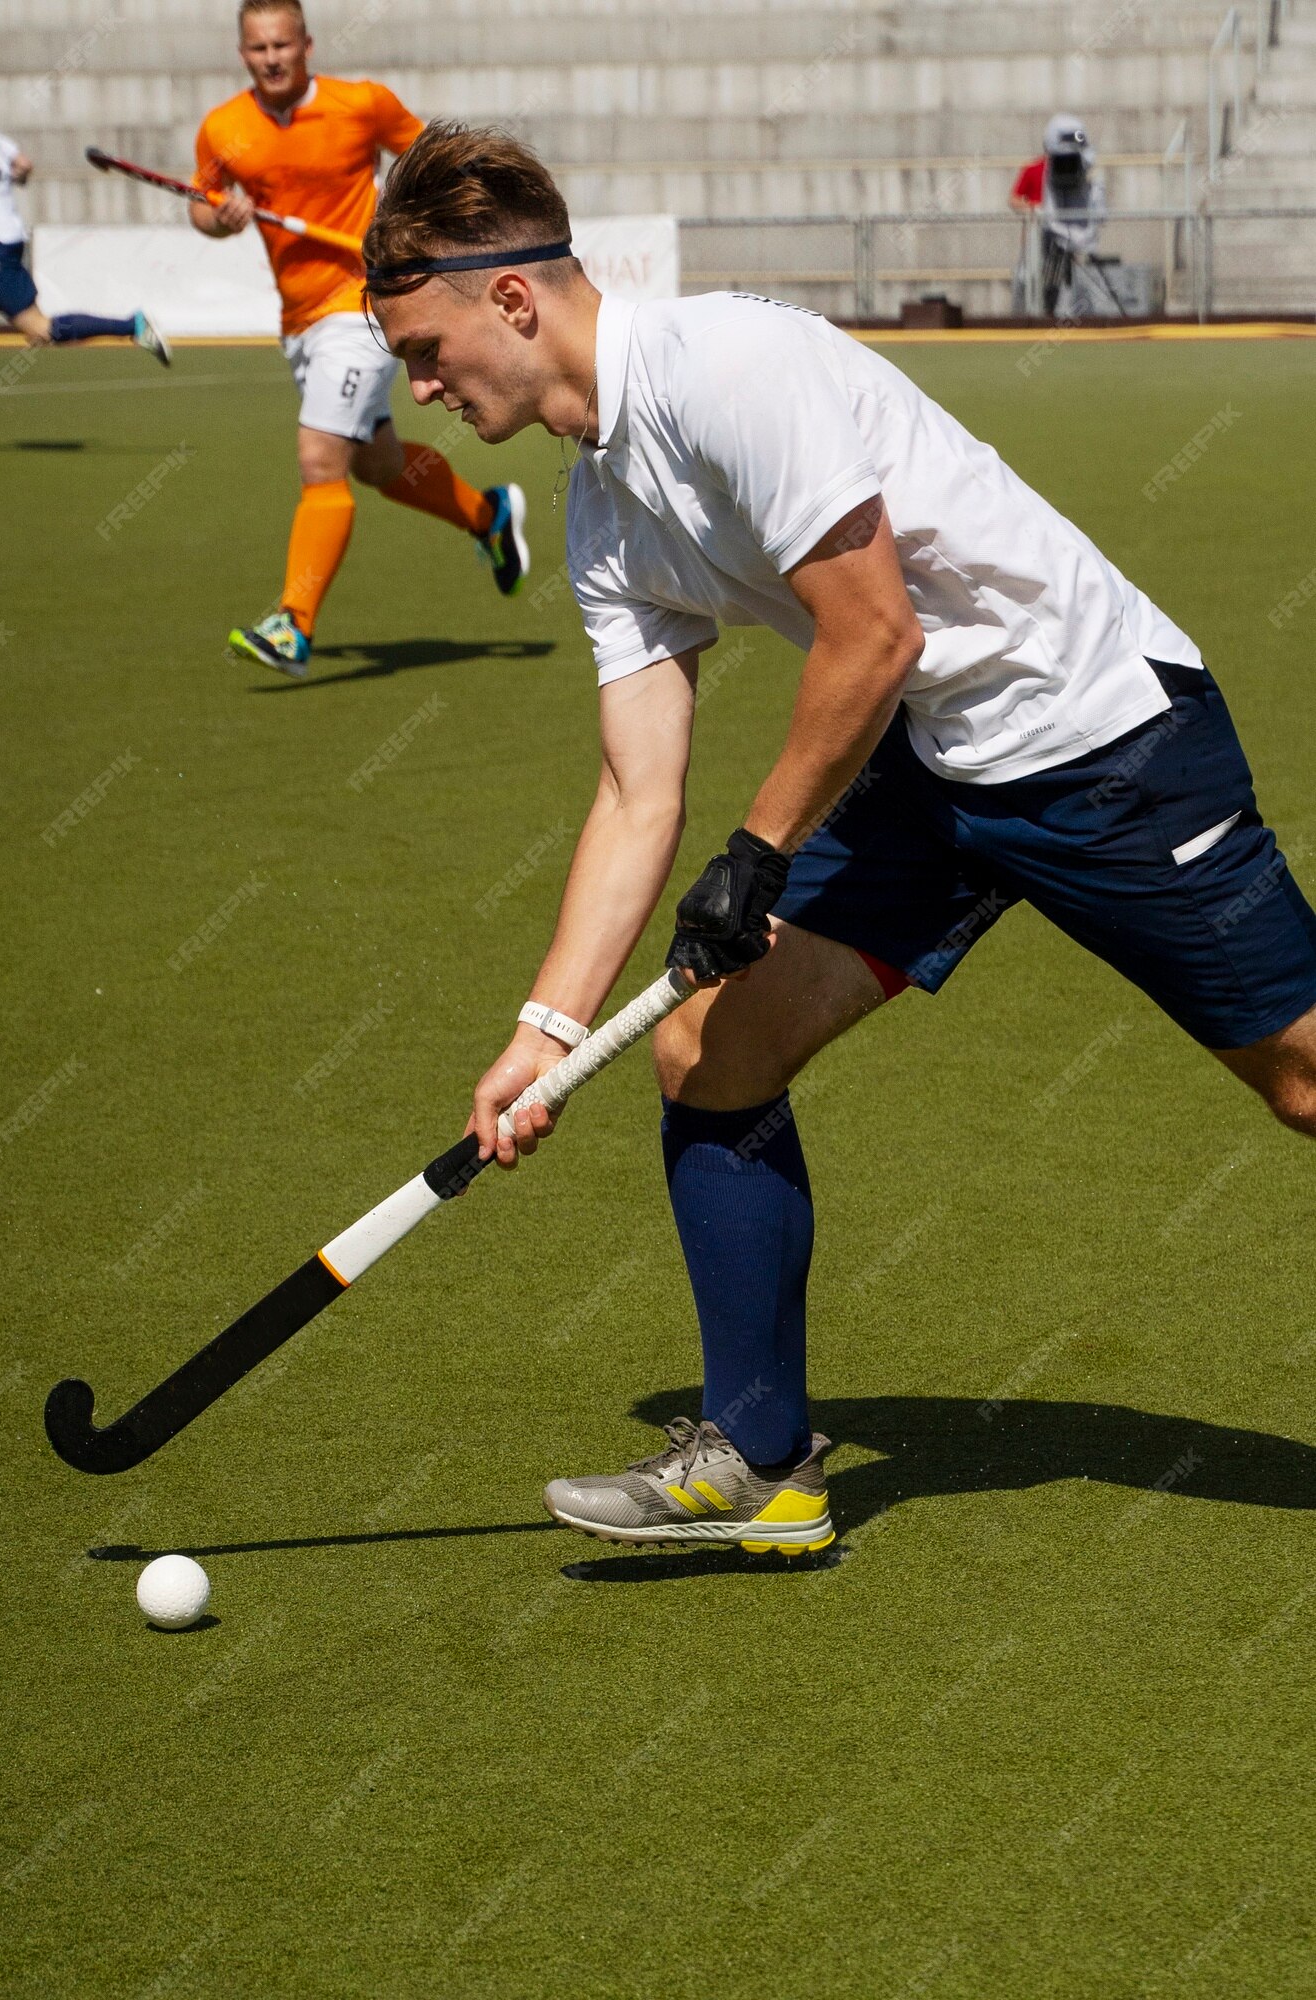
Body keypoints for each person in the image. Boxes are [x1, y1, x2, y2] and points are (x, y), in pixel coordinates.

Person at [366, 122, 1316, 1556]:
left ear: (511, 297)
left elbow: (874, 633)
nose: (419, 388)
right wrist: (545, 1027)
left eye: (426, 350)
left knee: (1302, 1082)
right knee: (706, 1048)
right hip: (936, 765)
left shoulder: (725, 373)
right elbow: (636, 789)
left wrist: (755, 851)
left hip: (1101, 739)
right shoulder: (598, 506)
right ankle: (757, 1460)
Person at [192, 1, 528, 679]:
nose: (273, 58)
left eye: (283, 44)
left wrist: (417, 232)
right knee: (374, 465)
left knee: (321, 458)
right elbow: (202, 202)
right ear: (242, 54)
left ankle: (293, 626)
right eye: (258, 49)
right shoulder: (224, 128)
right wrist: (219, 218)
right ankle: (488, 517)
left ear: (307, 43)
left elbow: (432, 159)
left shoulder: (361, 106)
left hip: (365, 304)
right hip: (300, 320)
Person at [0, 112, 170, 364]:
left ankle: (132, 326)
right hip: (4, 236)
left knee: (39, 328)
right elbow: (23, 165)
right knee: (38, 330)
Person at [1009, 114, 1106, 316]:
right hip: (1040, 238)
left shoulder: (1081, 168)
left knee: (1063, 284)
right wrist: (1037, 210)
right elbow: (1014, 199)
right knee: (1030, 280)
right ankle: (1029, 317)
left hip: (1067, 236)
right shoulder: (1033, 168)